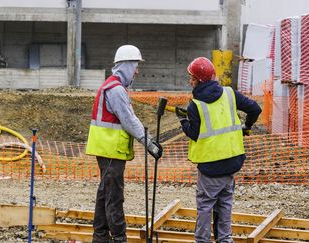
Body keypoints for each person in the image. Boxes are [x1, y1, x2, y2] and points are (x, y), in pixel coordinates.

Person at [176, 57, 261, 243]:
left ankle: (203, 240)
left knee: (206, 205)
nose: (190, 82)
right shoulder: (230, 94)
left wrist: (183, 122)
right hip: (232, 161)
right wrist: (246, 126)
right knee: (225, 203)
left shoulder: (195, 105)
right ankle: (225, 239)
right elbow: (255, 109)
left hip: (210, 166)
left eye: (192, 78)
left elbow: (194, 134)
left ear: (200, 80)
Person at [85, 44, 163, 243]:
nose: (137, 71)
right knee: (114, 196)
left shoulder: (111, 86)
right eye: (135, 65)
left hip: (107, 149)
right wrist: (149, 143)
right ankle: (119, 238)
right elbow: (129, 120)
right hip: (111, 150)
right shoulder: (116, 90)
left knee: (105, 193)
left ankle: (100, 236)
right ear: (126, 65)